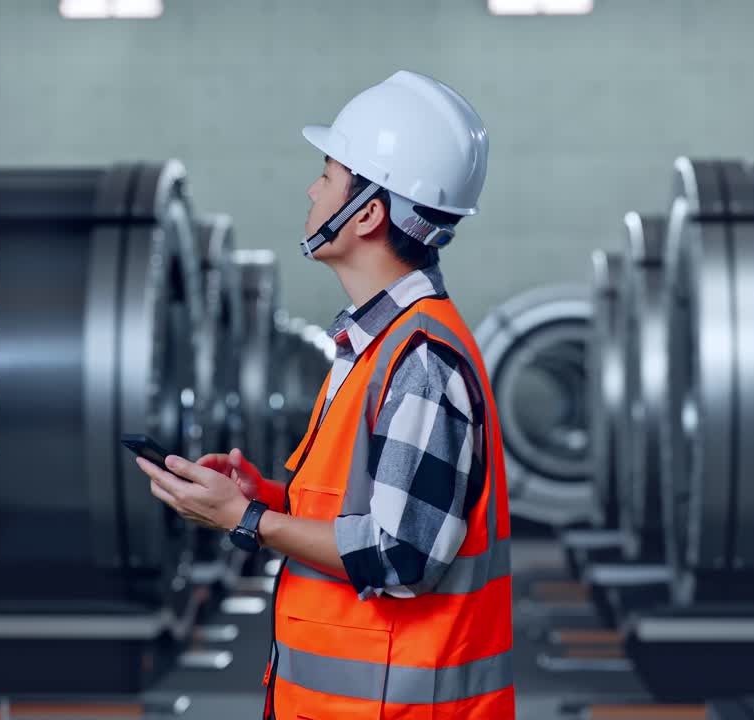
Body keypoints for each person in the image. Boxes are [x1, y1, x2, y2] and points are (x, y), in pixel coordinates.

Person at [135, 70, 514, 719]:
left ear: (367, 212)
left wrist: (245, 521)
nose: (312, 189)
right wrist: (267, 498)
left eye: (329, 173)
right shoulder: (377, 344)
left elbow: (402, 556)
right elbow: (371, 511)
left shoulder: (419, 360)